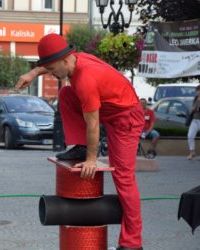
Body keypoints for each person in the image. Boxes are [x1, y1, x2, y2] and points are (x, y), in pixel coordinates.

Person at [15, 34, 144, 250]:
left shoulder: (85, 79)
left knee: (124, 176)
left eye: (53, 69)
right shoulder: (73, 60)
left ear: (66, 60)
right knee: (66, 93)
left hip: (125, 117)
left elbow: (93, 124)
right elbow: (52, 66)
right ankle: (80, 147)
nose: (53, 74)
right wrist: (33, 72)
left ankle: (133, 243)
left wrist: (92, 160)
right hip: (109, 107)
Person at [187, 85, 200, 160]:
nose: (198, 92)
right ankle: (192, 152)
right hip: (194, 119)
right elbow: (192, 108)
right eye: (197, 90)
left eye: (199, 90)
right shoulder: (195, 98)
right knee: (190, 136)